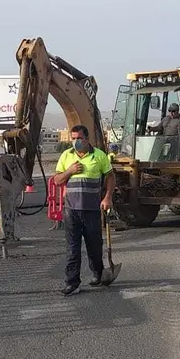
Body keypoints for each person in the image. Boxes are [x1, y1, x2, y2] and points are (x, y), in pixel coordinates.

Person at [53, 125, 116, 296]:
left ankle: (97, 273)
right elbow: (57, 180)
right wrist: (69, 171)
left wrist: (107, 198)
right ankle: (72, 282)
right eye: (73, 138)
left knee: (94, 245)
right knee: (72, 248)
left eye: (79, 138)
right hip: (71, 210)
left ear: (87, 139)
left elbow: (110, 177)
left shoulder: (99, 156)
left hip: (91, 210)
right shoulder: (66, 156)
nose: (76, 141)